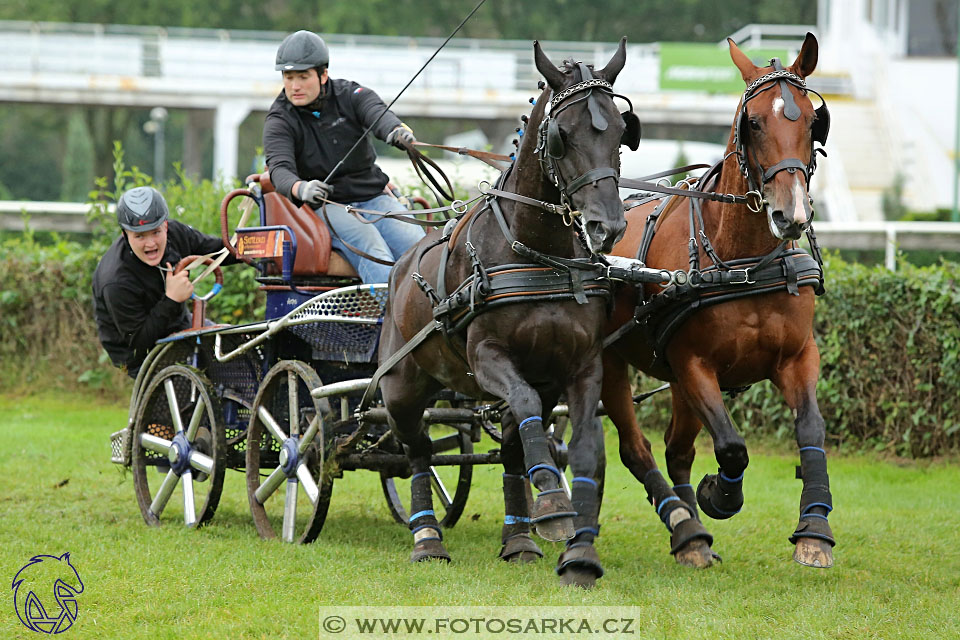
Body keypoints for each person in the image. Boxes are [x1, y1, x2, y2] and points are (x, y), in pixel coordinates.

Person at [263, 30, 424, 284]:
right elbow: (279, 169)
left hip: (374, 198)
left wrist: (396, 132)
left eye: (303, 77)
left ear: (323, 74)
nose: (295, 86)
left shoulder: (351, 94)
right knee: (372, 247)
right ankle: (393, 321)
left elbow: (376, 113)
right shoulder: (279, 119)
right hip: (327, 206)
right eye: (288, 77)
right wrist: (301, 188)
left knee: (416, 245)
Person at [92, 186, 235, 378]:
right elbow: (139, 340)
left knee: (235, 350)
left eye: (155, 232)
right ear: (125, 234)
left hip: (178, 326)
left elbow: (219, 251)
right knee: (190, 389)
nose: (150, 243)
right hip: (139, 353)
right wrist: (172, 299)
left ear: (165, 226)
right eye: (140, 236)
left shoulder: (176, 234)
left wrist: (258, 247)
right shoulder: (116, 281)